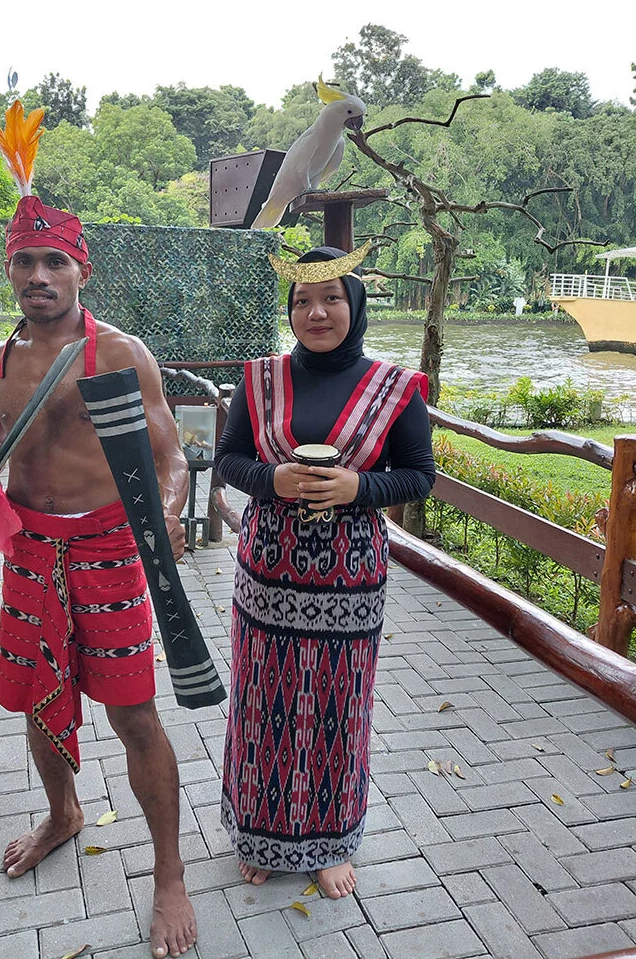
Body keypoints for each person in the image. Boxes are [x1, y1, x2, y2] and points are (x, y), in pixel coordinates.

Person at [0, 181, 196, 958]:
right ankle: (63, 815)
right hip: (29, 551)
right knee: (36, 697)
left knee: (134, 715)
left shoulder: (119, 352)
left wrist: (169, 513)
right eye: (24, 260)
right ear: (9, 269)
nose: (39, 275)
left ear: (81, 269)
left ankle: (168, 872)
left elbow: (171, 456)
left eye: (54, 260)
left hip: (108, 551)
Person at [215, 245, 436, 898]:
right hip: (268, 573)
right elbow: (228, 460)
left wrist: (358, 488)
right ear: (290, 311)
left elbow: (419, 476)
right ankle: (260, 833)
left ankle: (332, 840)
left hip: (350, 578)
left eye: (332, 298)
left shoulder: (393, 388)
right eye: (303, 301)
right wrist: (273, 479)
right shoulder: (261, 380)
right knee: (263, 703)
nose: (317, 312)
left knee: (340, 705)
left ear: (355, 306)